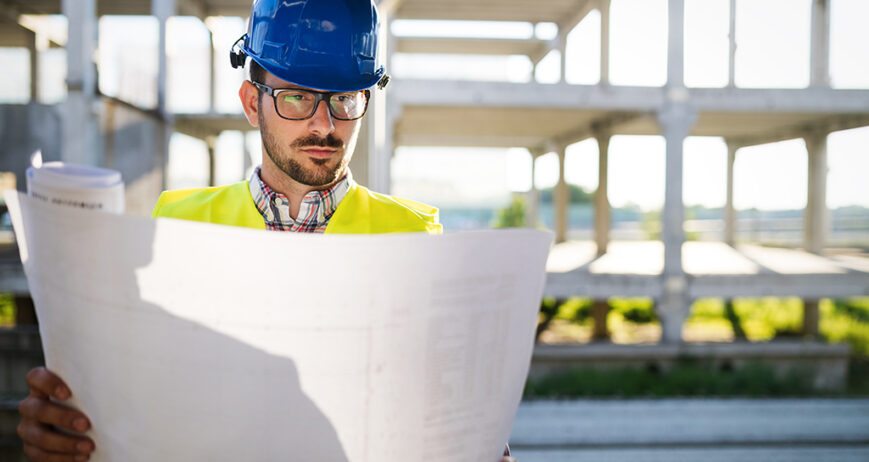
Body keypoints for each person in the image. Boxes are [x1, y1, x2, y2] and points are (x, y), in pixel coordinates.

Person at [17, 0, 516, 460]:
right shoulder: (175, 227)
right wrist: (74, 430)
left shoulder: (415, 239)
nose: (325, 124)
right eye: (296, 97)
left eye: (344, 98)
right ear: (251, 102)